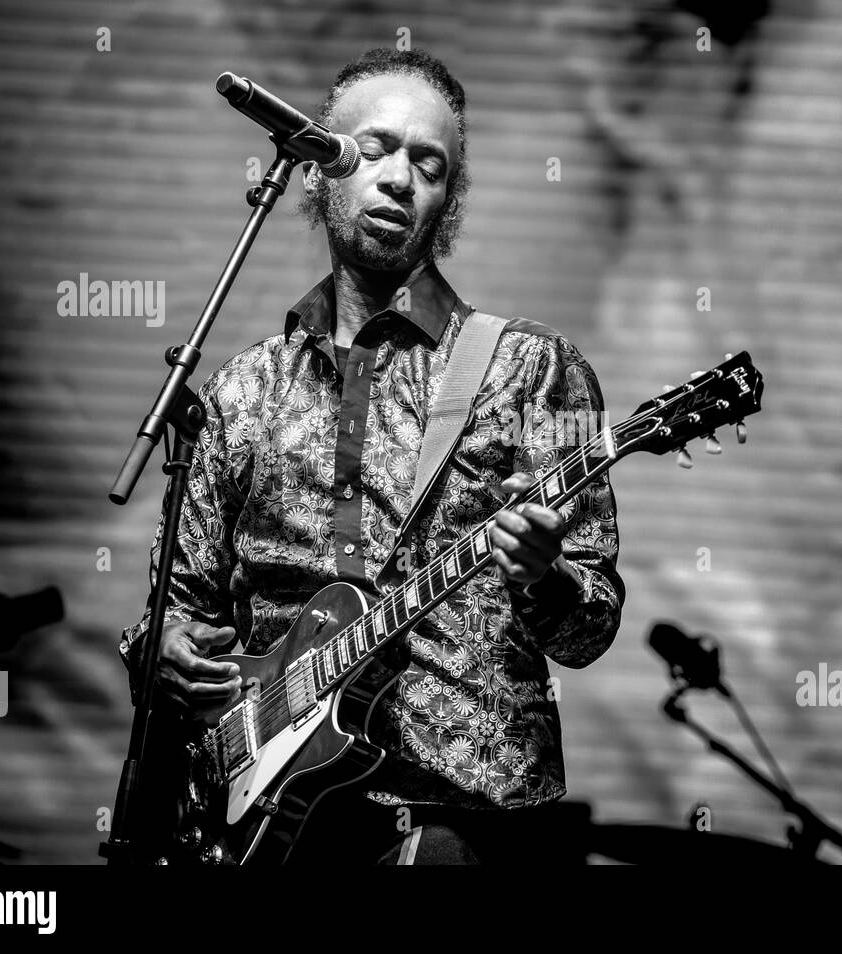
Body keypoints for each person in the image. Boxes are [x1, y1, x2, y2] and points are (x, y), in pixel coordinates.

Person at [119, 47, 624, 864]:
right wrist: (165, 649)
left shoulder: (531, 369)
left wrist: (544, 575)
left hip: (453, 815)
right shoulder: (245, 389)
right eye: (378, 149)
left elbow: (591, 623)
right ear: (320, 170)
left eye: (431, 166)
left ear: (446, 204)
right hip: (258, 817)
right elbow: (174, 606)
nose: (400, 179)